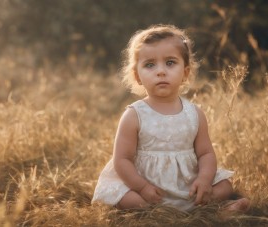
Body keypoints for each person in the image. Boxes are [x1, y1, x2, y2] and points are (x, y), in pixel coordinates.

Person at [92, 24, 250, 211]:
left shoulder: (194, 113)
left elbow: (205, 153)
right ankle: (164, 210)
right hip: (146, 188)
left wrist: (204, 179)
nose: (161, 71)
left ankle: (209, 207)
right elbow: (122, 160)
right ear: (138, 76)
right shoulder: (134, 115)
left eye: (170, 63)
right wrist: (142, 187)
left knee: (225, 186)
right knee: (127, 198)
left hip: (187, 185)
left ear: (185, 72)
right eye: (150, 65)